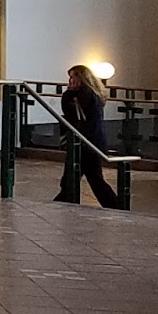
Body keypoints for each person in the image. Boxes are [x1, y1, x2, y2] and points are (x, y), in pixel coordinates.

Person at [56, 64, 119, 208]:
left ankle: (116, 206)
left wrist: (69, 93)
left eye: (73, 77)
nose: (70, 80)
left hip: (87, 142)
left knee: (91, 179)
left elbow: (73, 113)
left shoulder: (85, 95)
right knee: (85, 178)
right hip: (89, 141)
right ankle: (115, 205)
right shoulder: (91, 94)